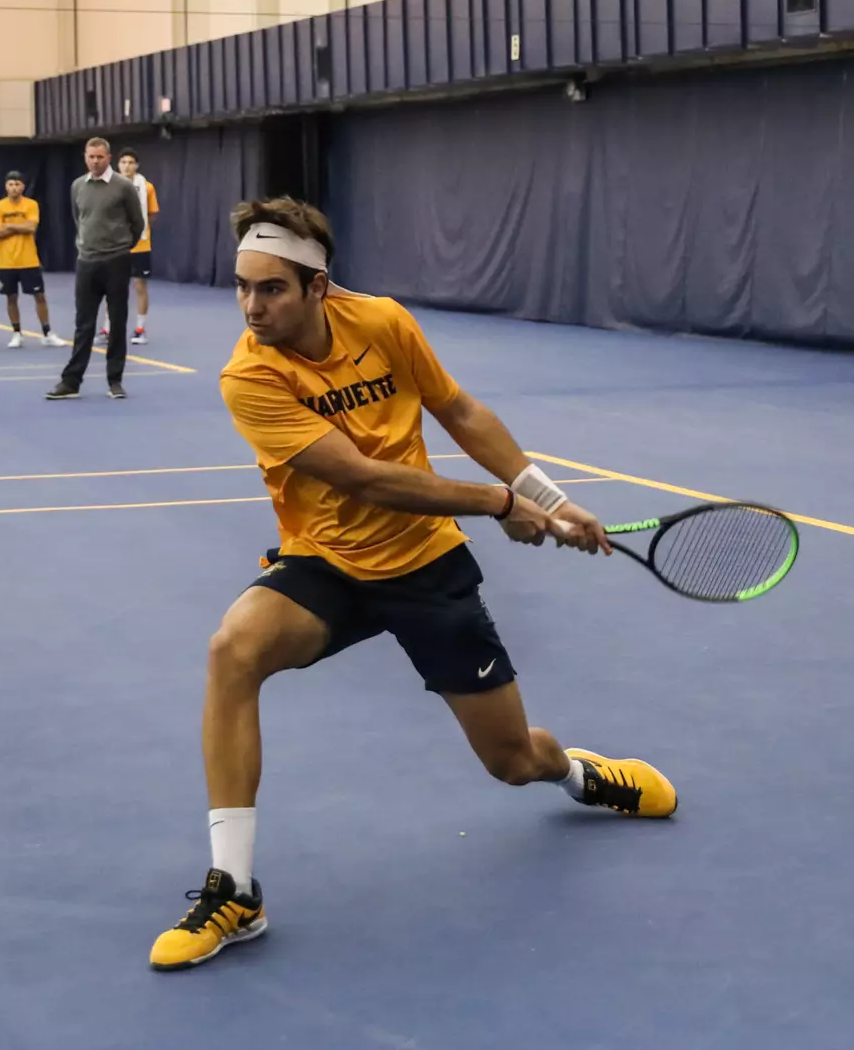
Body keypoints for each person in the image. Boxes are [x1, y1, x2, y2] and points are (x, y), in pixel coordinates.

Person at [146, 198, 678, 972]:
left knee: (511, 763)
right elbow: (365, 479)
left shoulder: (384, 322)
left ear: (318, 286)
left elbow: (457, 408)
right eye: (242, 287)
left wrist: (552, 501)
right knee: (234, 650)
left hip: (426, 566)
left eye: (271, 290)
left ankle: (576, 774)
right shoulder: (249, 376)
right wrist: (501, 503)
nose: (251, 307)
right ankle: (235, 889)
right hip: (325, 562)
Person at [47, 137, 145, 400]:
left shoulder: (124, 187)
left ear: (109, 158)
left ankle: (115, 381)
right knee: (84, 324)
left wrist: (121, 247)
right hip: (86, 262)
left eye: (100, 157)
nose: (95, 161)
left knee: (118, 321)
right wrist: (88, 246)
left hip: (117, 261)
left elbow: (138, 224)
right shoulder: (77, 185)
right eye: (91, 156)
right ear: (85, 157)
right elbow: (78, 219)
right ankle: (71, 382)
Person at [98, 149, 159, 346]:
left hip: (140, 246)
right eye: (123, 162)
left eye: (131, 162)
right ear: (118, 165)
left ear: (137, 166)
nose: (127, 165)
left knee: (140, 286)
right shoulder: (109, 186)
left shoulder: (147, 187)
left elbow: (151, 214)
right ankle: (108, 329)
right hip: (116, 246)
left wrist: (138, 231)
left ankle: (140, 329)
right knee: (113, 288)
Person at [0, 170, 57, 348]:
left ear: (23, 187)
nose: (14, 188)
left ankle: (47, 333)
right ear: (6, 186)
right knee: (11, 298)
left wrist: (9, 225)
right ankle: (17, 333)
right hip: (6, 262)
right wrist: (20, 225)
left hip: (29, 260)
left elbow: (31, 227)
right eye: (11, 184)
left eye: (17, 184)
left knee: (39, 296)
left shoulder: (31, 205)